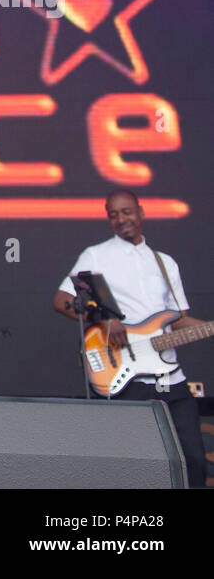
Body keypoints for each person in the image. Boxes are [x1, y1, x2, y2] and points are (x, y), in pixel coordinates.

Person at [52, 189, 208, 488]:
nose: (121, 219)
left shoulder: (165, 262)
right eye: (114, 214)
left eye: (126, 211)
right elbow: (61, 300)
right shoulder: (96, 255)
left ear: (141, 212)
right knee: (137, 469)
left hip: (172, 379)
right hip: (129, 380)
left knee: (194, 462)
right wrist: (104, 321)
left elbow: (179, 320)